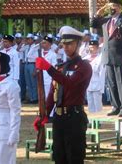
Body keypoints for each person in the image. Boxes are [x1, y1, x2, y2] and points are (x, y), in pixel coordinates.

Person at [34, 26, 92, 164]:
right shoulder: (61, 67)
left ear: (78, 45)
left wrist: (49, 68)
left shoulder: (84, 66)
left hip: (74, 118)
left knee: (74, 158)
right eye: (64, 44)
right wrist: (44, 114)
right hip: (59, 119)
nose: (65, 47)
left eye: (69, 44)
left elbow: (69, 83)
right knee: (59, 157)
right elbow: (53, 93)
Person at [91, 0, 122, 117]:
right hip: (108, 56)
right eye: (110, 6)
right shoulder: (106, 20)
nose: (111, 9)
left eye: (114, 6)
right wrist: (98, 14)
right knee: (112, 83)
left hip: (121, 57)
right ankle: (115, 106)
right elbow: (94, 25)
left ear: (120, 7)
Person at [84, 39, 105, 113]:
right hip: (88, 84)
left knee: (97, 105)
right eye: (90, 47)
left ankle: (99, 122)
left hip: (97, 84)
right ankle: (91, 122)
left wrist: (102, 88)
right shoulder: (85, 59)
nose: (91, 49)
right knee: (90, 105)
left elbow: (102, 73)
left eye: (93, 47)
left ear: (97, 48)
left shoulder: (100, 58)